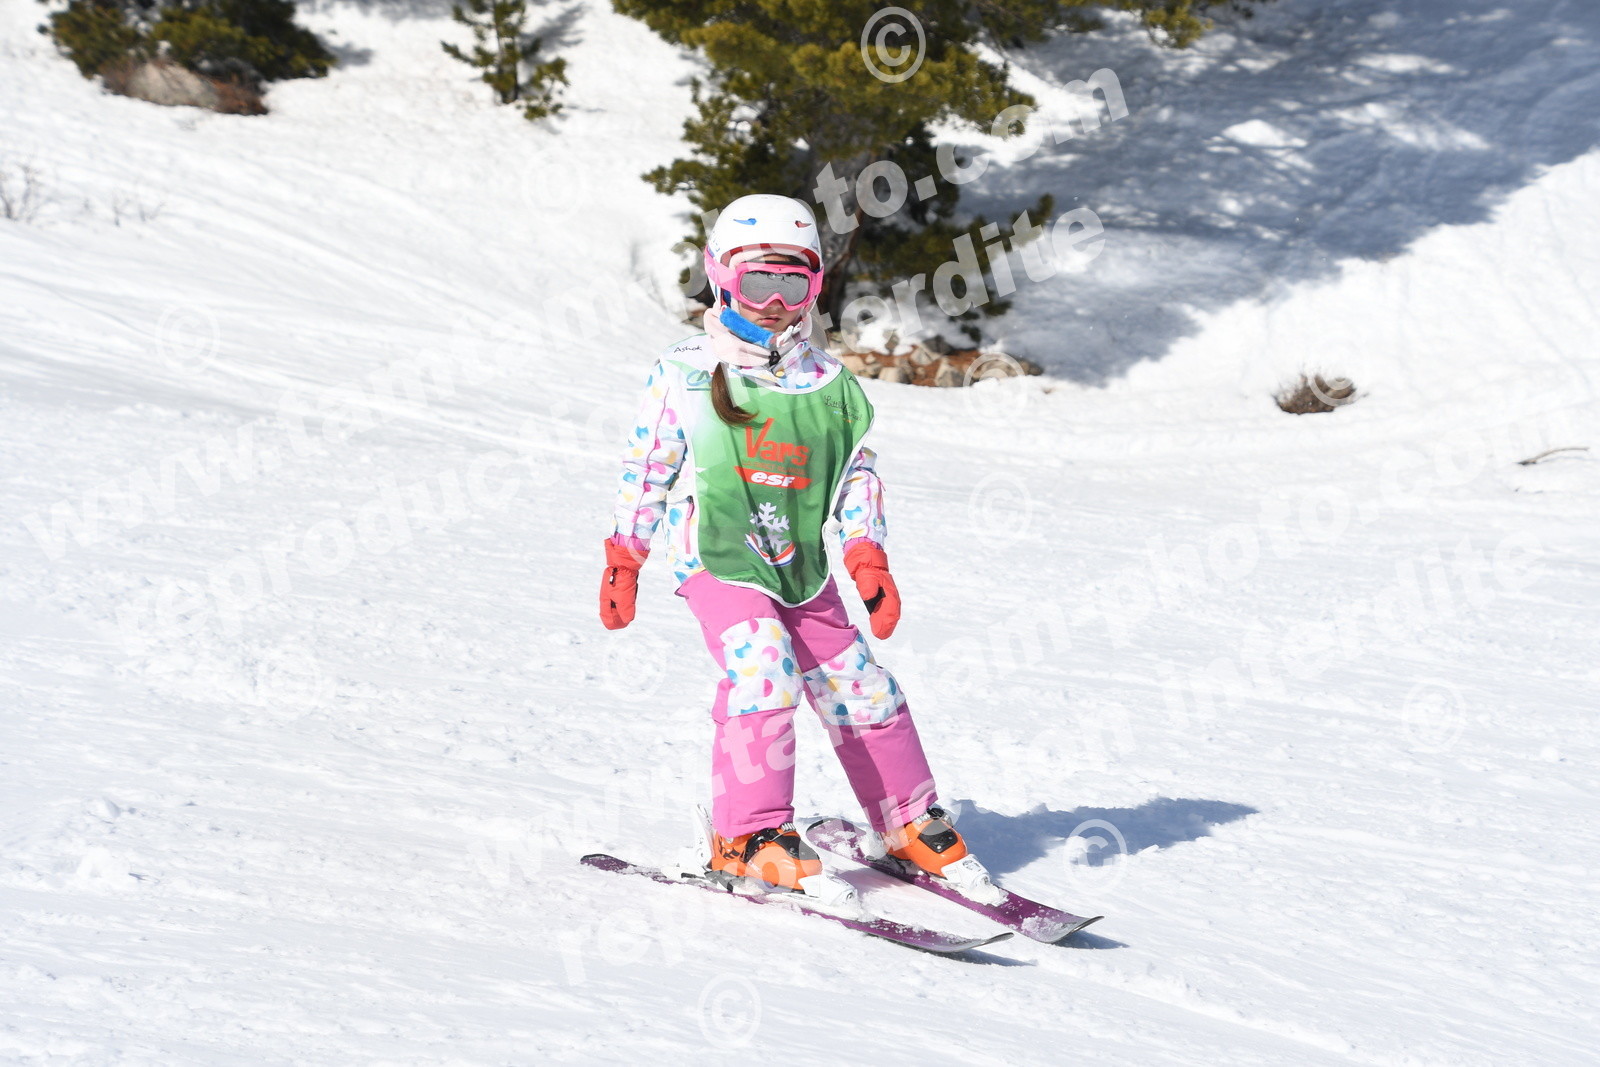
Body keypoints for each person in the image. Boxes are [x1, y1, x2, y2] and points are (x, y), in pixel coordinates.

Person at [597, 194, 994, 900]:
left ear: (815, 286)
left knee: (860, 683)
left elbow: (854, 475)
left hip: (799, 563)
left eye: (794, 282)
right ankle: (748, 837)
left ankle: (907, 822)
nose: (777, 303)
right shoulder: (687, 370)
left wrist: (866, 555)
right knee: (763, 667)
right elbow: (648, 464)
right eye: (759, 282)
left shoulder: (829, 383)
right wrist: (626, 556)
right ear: (722, 276)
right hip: (717, 551)